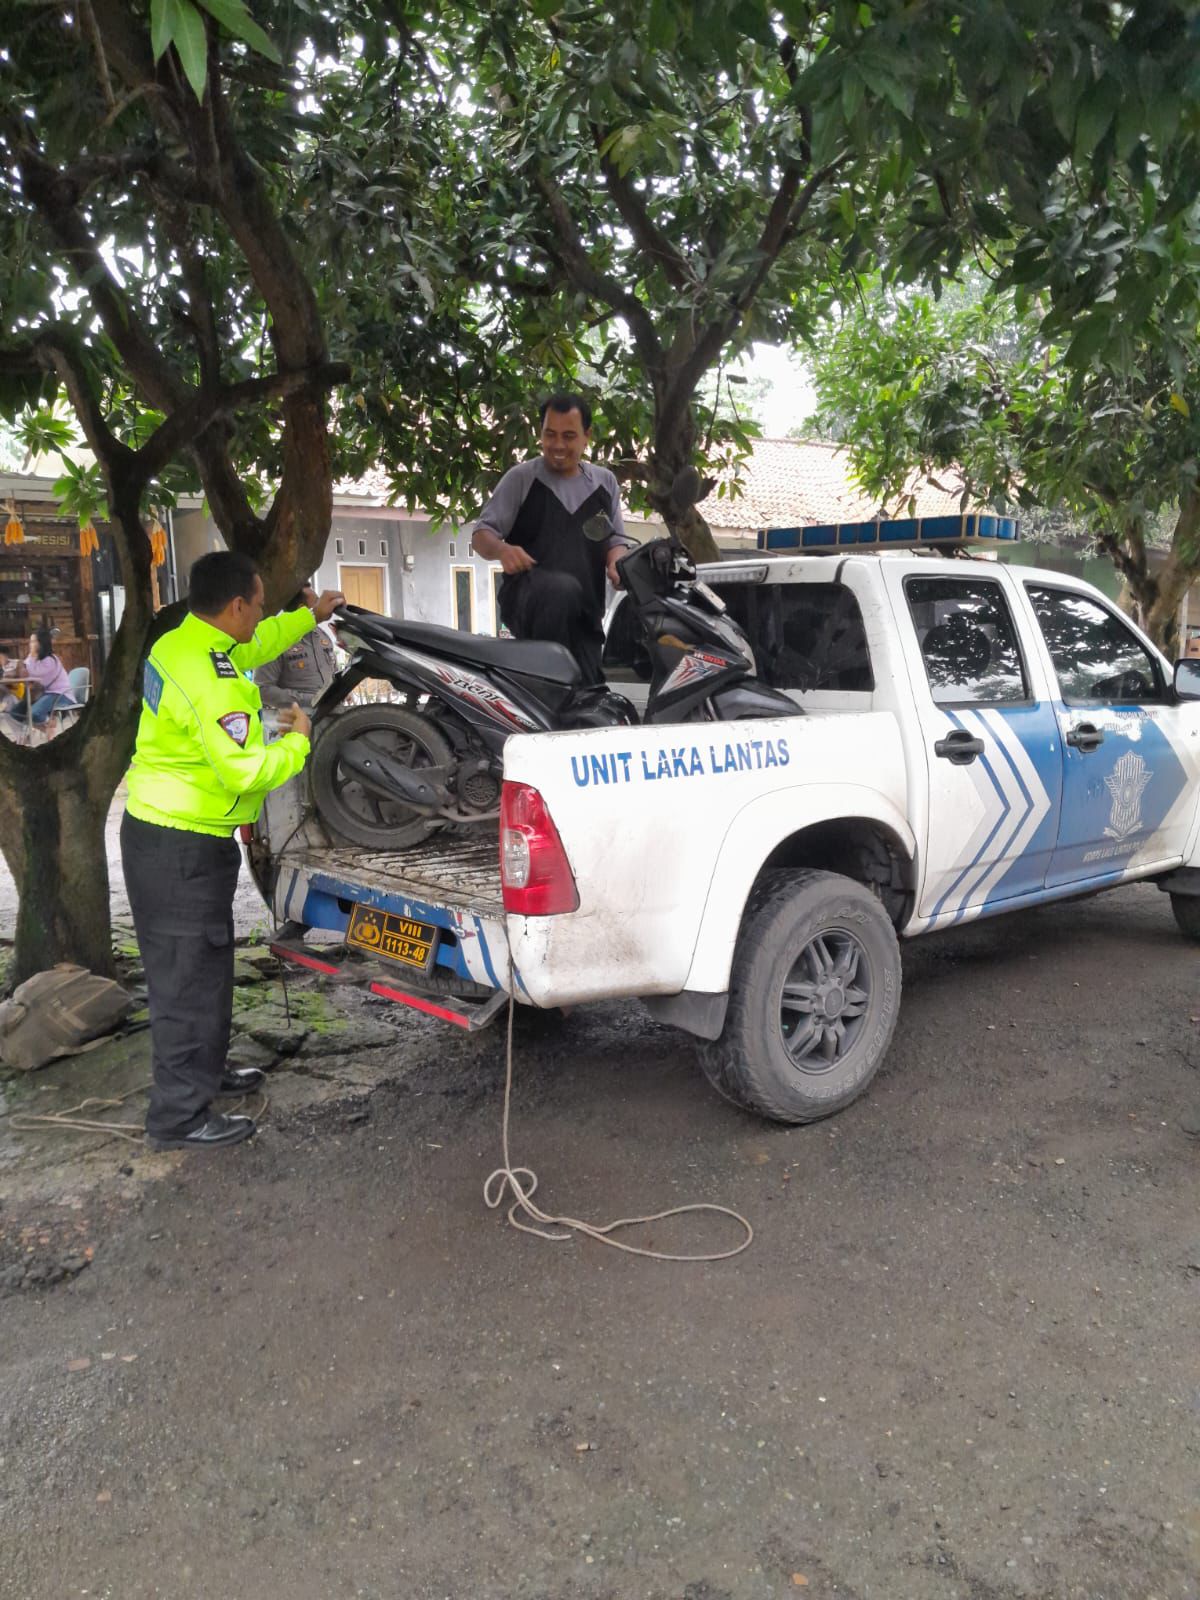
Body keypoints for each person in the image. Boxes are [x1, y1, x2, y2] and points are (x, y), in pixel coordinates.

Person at [121, 551, 344, 1151]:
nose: (263, 616)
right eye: (260, 606)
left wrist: (309, 618)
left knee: (206, 969)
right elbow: (245, 771)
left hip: (181, 839)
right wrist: (300, 743)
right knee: (184, 982)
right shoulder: (210, 679)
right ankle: (178, 1117)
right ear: (237, 605)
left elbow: (253, 647)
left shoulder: (187, 641)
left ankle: (206, 1075)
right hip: (177, 848)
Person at [471, 393, 630, 684]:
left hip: (585, 615)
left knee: (590, 694)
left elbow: (615, 540)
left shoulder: (604, 483)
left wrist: (617, 563)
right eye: (550, 434)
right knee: (560, 591)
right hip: (529, 604)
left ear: (587, 436)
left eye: (568, 436)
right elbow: (481, 536)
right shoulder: (521, 479)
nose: (557, 445)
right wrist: (502, 550)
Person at [254, 586, 339, 710]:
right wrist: (312, 700)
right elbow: (263, 690)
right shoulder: (277, 641)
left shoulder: (322, 636)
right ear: (302, 609)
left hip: (334, 715)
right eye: (317, 602)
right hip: (298, 718)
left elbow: (334, 672)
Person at [12, 627, 78, 727]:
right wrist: (27, 661)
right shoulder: (37, 659)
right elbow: (25, 668)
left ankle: (49, 724)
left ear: (41, 643)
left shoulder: (51, 660)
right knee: (15, 713)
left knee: (34, 713)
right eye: (30, 641)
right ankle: (41, 729)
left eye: (33, 641)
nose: (30, 644)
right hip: (46, 694)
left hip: (61, 695)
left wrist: (31, 656)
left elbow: (31, 672)